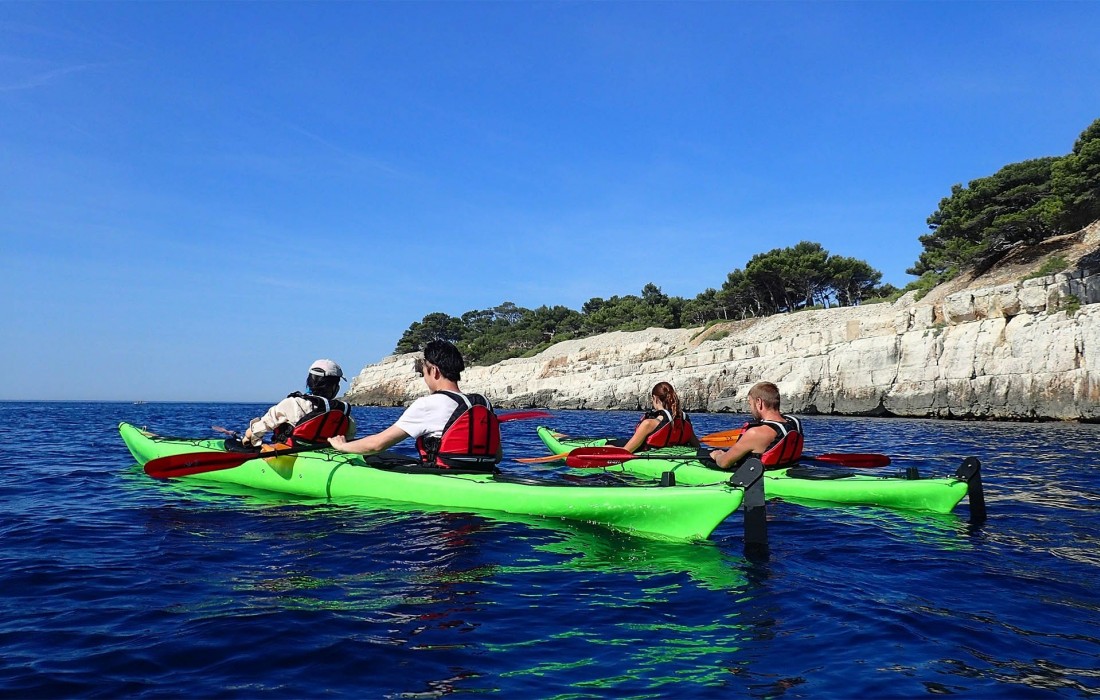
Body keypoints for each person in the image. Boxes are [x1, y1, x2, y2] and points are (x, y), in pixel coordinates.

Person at [328, 339, 502, 470]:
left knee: (376, 457)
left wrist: (342, 446)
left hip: (442, 477)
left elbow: (377, 445)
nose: (424, 377)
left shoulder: (428, 404)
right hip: (484, 472)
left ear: (434, 371)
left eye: (423, 371)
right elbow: (498, 455)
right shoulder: (483, 403)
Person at [238, 359, 357, 448]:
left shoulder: (292, 404)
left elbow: (261, 426)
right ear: (335, 388)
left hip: (289, 455)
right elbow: (349, 438)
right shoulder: (344, 412)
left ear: (309, 382)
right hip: (324, 456)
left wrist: (248, 438)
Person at [709, 381, 803, 470]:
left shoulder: (755, 433)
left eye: (750, 404)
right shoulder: (795, 423)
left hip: (762, 477)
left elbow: (724, 463)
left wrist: (717, 455)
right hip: (787, 468)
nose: (751, 410)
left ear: (759, 402)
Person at [621, 381, 700, 453]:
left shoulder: (648, 424)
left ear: (655, 398)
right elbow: (697, 446)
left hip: (650, 457)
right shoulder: (684, 421)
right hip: (678, 456)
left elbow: (626, 451)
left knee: (610, 445)